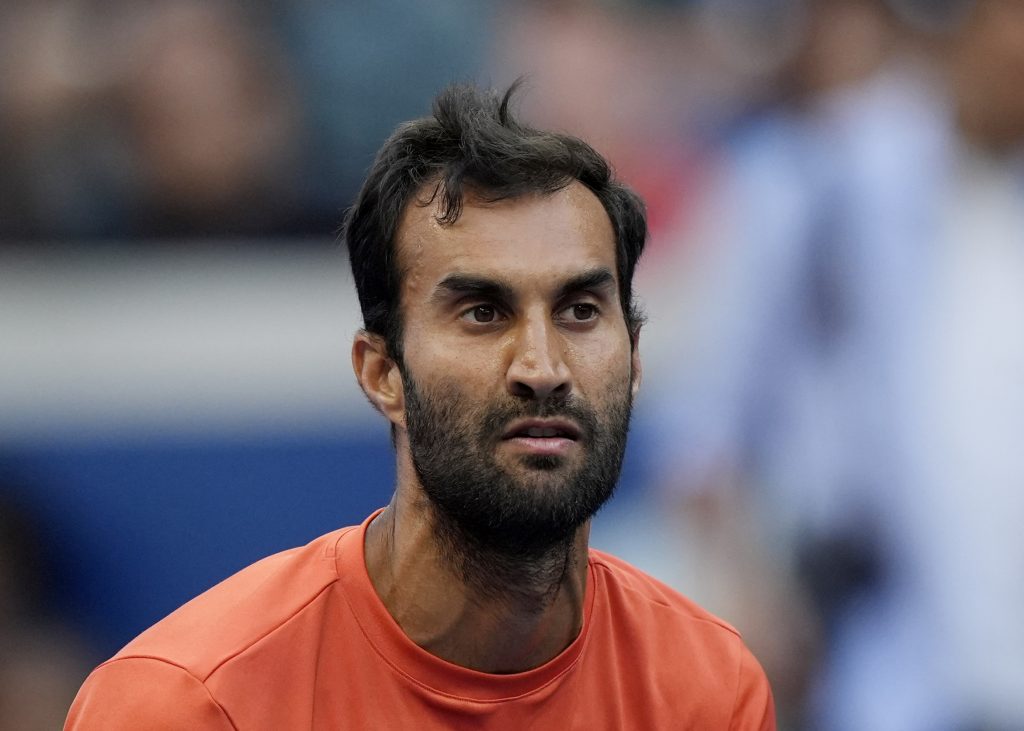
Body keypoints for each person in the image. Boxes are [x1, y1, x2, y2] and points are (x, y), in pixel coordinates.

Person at [64, 83, 775, 730]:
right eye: (483, 312)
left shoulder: (707, 690)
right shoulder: (184, 704)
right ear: (382, 373)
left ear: (636, 358)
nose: (543, 367)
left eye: (581, 310)